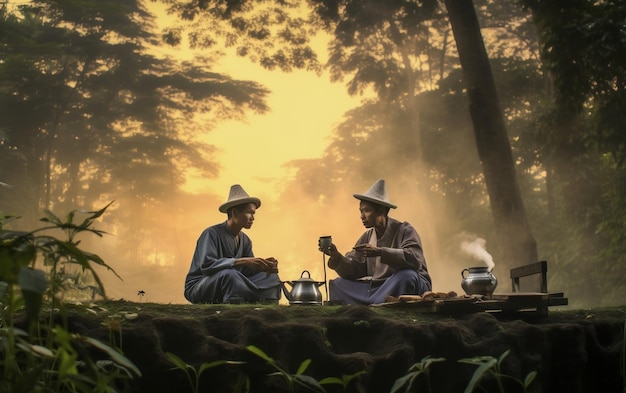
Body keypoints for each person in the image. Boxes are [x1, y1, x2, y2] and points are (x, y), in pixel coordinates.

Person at [320, 179, 432, 305]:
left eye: (367, 210)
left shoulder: (405, 230)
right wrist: (337, 257)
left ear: (382, 210)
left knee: (406, 276)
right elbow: (354, 268)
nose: (362, 216)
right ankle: (378, 301)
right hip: (379, 287)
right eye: (361, 211)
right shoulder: (367, 236)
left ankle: (374, 301)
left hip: (406, 282)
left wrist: (380, 252)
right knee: (339, 283)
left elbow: (415, 259)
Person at [184, 184, 282, 304]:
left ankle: (260, 300)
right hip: (201, 284)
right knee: (229, 275)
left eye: (254, 214)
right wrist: (241, 261)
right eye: (249, 213)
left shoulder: (245, 240)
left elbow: (247, 271)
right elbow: (206, 265)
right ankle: (236, 301)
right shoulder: (211, 233)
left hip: (232, 280)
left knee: (271, 278)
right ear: (235, 213)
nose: (252, 218)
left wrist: (263, 265)